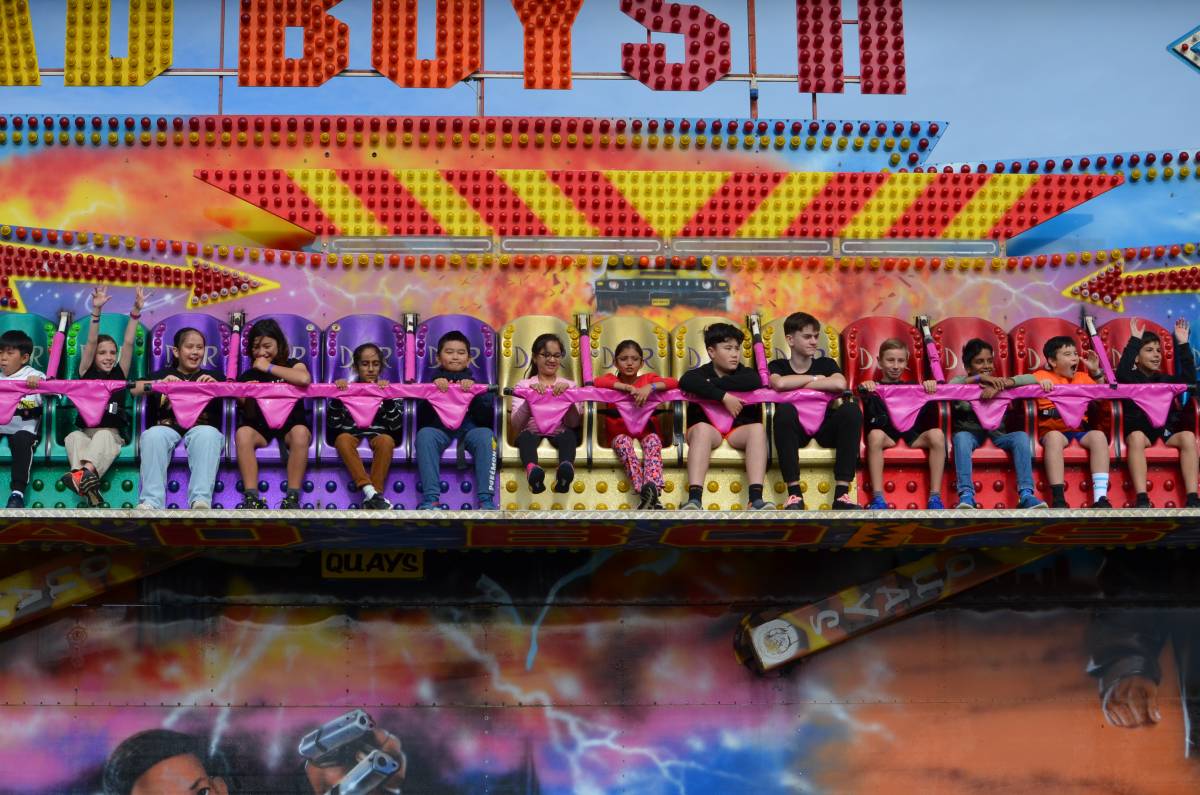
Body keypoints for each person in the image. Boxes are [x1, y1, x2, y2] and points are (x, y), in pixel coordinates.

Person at [60, 286, 146, 507]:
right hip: (86, 433)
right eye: (102, 353)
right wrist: (96, 311)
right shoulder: (85, 372)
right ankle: (89, 488)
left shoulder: (119, 373)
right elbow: (90, 342)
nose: (108, 357)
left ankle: (81, 475)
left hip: (111, 435)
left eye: (112, 353)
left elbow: (128, 343)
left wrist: (136, 312)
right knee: (73, 437)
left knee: (103, 437)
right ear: (93, 356)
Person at [767, 312, 862, 510]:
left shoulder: (826, 363)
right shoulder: (778, 365)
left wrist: (797, 384)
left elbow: (840, 384)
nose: (813, 342)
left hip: (825, 427)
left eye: (816, 336)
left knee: (851, 410)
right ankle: (794, 494)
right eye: (807, 337)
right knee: (784, 411)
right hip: (796, 430)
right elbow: (780, 383)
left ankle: (841, 495)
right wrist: (817, 379)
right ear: (790, 340)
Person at [678, 322, 772, 510]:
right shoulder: (699, 373)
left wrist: (711, 384)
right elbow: (686, 381)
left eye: (737, 348)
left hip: (737, 430)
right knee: (702, 430)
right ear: (712, 352)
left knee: (757, 429)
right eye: (728, 348)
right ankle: (694, 499)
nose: (734, 354)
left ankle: (755, 499)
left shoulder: (745, 373)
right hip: (708, 431)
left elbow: (754, 381)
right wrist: (723, 397)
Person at [949, 338, 1049, 509]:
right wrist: (979, 378)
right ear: (968, 367)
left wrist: (1004, 384)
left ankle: (1026, 494)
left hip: (997, 435)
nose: (986, 365)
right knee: (961, 438)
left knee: (1021, 437)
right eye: (979, 362)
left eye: (989, 361)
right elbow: (950, 386)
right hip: (971, 434)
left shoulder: (1000, 382)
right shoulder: (962, 381)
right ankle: (966, 495)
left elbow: (1031, 378)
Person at [132, 328, 224, 510]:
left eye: (199, 347)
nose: (195, 352)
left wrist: (217, 387)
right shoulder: (161, 375)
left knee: (209, 435)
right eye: (189, 347)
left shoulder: (214, 377)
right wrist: (159, 384)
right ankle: (151, 502)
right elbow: (134, 389)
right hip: (167, 427)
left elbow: (236, 393)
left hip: (201, 427)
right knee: (152, 436)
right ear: (176, 351)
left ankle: (200, 501)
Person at [1116, 318, 1200, 508]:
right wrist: (1134, 341)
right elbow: (1121, 374)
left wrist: (1183, 344)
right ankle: (1142, 497)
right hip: (1140, 434)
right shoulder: (1130, 378)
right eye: (1149, 350)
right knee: (1136, 437)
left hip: (1163, 433)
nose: (1156, 355)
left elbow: (1189, 382)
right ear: (1136, 358)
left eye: (1158, 351)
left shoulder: (1165, 380)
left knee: (1188, 437)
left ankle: (1193, 498)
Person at [414, 330, 497, 510]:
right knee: (424, 435)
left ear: (468, 359)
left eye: (461, 353)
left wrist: (473, 394)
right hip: (439, 430)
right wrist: (433, 393)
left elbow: (486, 419)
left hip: (469, 430)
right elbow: (421, 420)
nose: (455, 357)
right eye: (449, 352)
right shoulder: (429, 385)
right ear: (438, 357)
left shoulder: (476, 385)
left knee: (486, 435)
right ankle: (431, 499)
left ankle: (486, 501)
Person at [234, 319, 312, 510]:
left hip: (291, 427)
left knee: (301, 432)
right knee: (243, 433)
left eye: (267, 346)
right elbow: (249, 414)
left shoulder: (293, 365)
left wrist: (268, 367)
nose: (261, 352)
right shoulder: (248, 376)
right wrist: (249, 395)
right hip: (261, 429)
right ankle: (252, 498)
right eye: (256, 347)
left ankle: (292, 498)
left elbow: (304, 379)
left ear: (279, 344)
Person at [860, 338, 946, 510]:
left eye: (900, 361)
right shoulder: (873, 387)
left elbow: (931, 411)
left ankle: (935, 497)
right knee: (875, 435)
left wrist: (930, 388)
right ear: (879, 362)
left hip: (912, 436)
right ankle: (878, 498)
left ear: (906, 363)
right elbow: (867, 414)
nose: (895, 366)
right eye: (890, 360)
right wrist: (865, 390)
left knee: (937, 434)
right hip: (887, 436)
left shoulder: (915, 387)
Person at [593, 339, 677, 509]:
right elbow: (597, 382)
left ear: (641, 363)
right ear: (615, 362)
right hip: (619, 435)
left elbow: (673, 383)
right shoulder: (611, 380)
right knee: (623, 442)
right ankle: (645, 492)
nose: (629, 363)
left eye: (634, 359)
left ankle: (652, 490)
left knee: (653, 440)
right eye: (624, 359)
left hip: (646, 433)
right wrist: (624, 387)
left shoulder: (648, 379)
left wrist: (651, 387)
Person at [1031, 335, 1111, 508]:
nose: (1074, 358)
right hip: (1052, 430)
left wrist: (1096, 372)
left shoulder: (1082, 377)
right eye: (1068, 354)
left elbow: (1102, 398)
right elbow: (1020, 385)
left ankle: (1100, 498)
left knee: (1098, 437)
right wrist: (1037, 383)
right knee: (1054, 438)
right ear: (1052, 361)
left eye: (1075, 353)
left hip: (1078, 429)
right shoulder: (1040, 375)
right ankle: (1058, 497)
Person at [329, 342, 403, 510]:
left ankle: (373, 495)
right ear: (356, 367)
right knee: (342, 439)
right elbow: (334, 425)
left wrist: (387, 397)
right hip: (351, 435)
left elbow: (396, 426)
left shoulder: (390, 390)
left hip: (378, 436)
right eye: (365, 364)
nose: (370, 369)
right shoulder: (347, 388)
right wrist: (337, 396)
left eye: (375, 364)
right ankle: (371, 492)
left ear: (381, 367)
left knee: (386, 440)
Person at [509, 333, 579, 495]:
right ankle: (533, 472)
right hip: (531, 432)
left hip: (559, 433)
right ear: (535, 357)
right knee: (526, 437)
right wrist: (530, 399)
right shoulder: (524, 385)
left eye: (556, 355)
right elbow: (516, 425)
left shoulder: (569, 385)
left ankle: (565, 470)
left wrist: (568, 398)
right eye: (546, 355)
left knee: (569, 436)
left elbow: (574, 423)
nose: (552, 360)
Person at [0, 329, 44, 509]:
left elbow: (55, 393)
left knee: (21, 440)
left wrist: (39, 384)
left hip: (23, 429)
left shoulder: (34, 375)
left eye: (10, 353)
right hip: (2, 426)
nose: (3, 358)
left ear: (24, 358)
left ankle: (17, 493)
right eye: (0, 353)